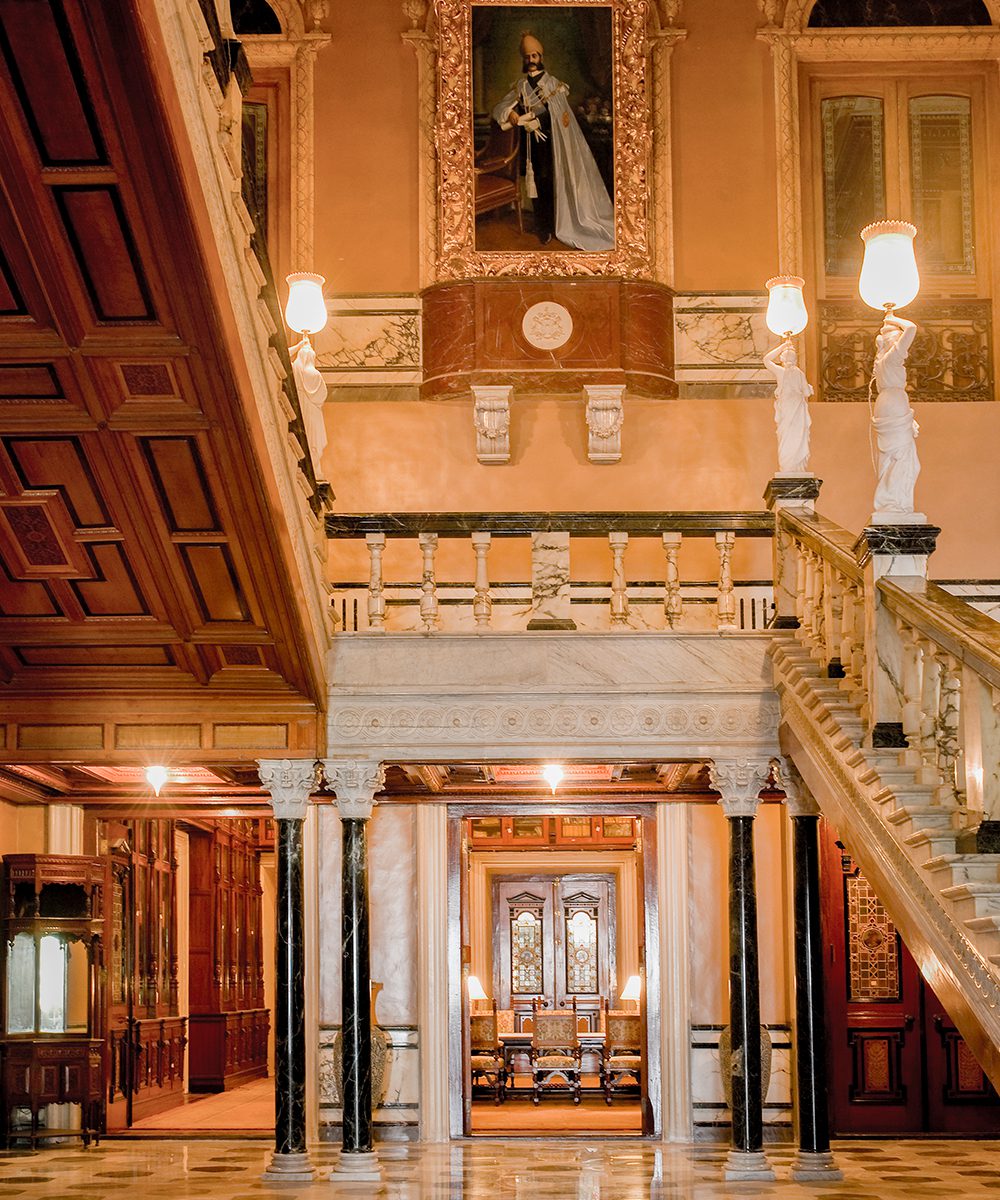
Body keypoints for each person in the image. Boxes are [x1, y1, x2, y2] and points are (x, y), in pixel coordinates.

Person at [492, 32, 614, 252]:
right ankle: (542, 227)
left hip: (550, 143)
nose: (531, 60)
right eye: (527, 57)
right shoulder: (519, 85)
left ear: (541, 57)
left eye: (534, 56)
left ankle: (553, 225)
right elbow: (501, 108)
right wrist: (511, 115)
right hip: (529, 144)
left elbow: (559, 114)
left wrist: (538, 121)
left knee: (548, 182)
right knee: (536, 183)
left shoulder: (553, 83)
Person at [871, 313, 920, 516]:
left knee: (892, 456)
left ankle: (890, 501)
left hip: (886, 403)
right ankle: (895, 503)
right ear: (894, 341)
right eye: (898, 338)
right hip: (894, 402)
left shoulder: (882, 361)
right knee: (906, 458)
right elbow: (912, 328)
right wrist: (892, 318)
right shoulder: (891, 358)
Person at [763, 339, 813, 474]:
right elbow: (807, 392)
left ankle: (787, 467)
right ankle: (796, 467)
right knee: (797, 436)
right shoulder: (799, 373)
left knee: (786, 436)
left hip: (786, 408)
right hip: (797, 409)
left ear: (782, 359)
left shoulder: (781, 372)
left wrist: (782, 346)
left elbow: (766, 360)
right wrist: (808, 388)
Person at [290, 337, 329, 480]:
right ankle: (315, 467)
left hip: (301, 408)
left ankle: (309, 467)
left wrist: (298, 346)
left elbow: (285, 355)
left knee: (304, 436)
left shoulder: (295, 369)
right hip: (313, 412)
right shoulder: (315, 374)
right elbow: (322, 395)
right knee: (314, 442)